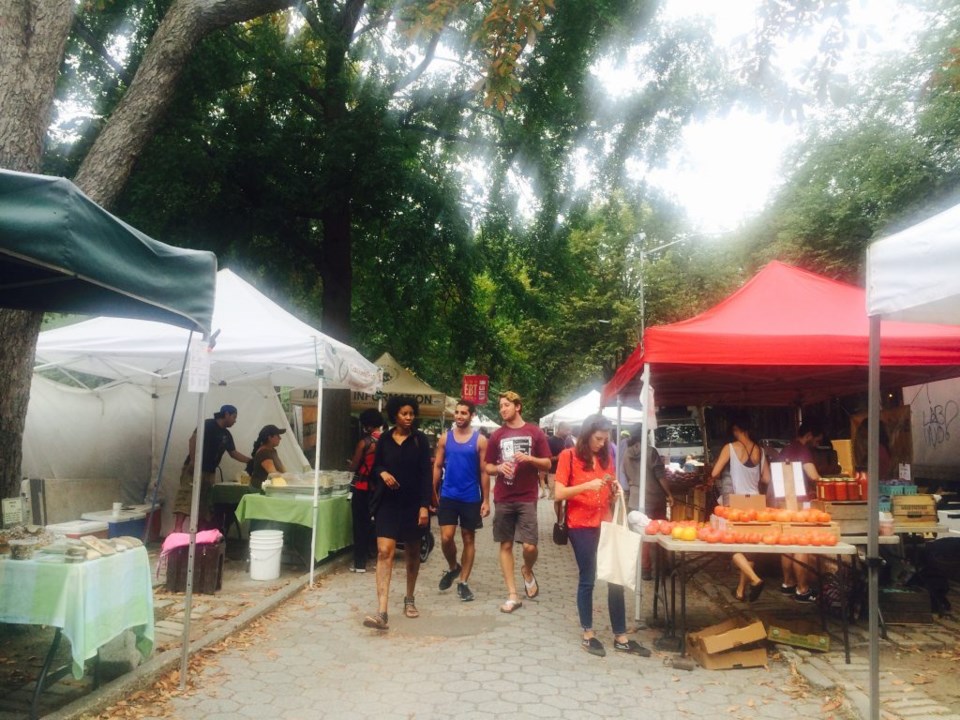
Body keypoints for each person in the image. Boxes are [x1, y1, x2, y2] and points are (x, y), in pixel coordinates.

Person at [555, 414, 651, 658]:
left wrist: (614, 488)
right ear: (587, 435)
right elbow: (558, 493)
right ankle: (588, 633)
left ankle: (621, 636)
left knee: (615, 577)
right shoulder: (569, 456)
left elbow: (608, 484)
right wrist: (587, 486)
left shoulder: (607, 456)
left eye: (606, 439)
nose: (602, 443)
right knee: (588, 577)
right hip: (580, 525)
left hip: (605, 522)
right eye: (598, 439)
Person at [363, 396, 432, 630]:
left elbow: (426, 474)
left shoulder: (420, 440)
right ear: (395, 415)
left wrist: (425, 505)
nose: (408, 417)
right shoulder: (384, 439)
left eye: (411, 413)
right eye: (404, 413)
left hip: (413, 504)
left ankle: (409, 598)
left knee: (412, 552)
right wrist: (382, 473)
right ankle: (382, 612)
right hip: (388, 503)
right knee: (384, 552)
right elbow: (376, 467)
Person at [483, 390, 551, 613]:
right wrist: (498, 468)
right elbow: (488, 466)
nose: (502, 409)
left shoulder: (534, 432)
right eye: (500, 406)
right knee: (506, 544)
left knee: (530, 546)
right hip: (503, 496)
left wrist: (530, 458)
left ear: (518, 406)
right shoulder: (497, 436)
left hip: (526, 496)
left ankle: (527, 570)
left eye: (506, 405)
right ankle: (512, 594)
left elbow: (548, 464)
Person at [432, 399, 489, 602]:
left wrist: (486, 500)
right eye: (457, 412)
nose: (459, 416)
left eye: (464, 413)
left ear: (471, 415)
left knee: (468, 538)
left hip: (470, 497)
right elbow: (437, 466)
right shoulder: (445, 439)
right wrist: (433, 492)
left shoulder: (480, 440)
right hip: (448, 495)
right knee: (446, 538)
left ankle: (463, 582)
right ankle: (453, 567)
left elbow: (484, 471)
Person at [710, 413, 770, 602]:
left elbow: (715, 472)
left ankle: (755, 579)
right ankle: (740, 591)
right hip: (756, 504)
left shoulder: (730, 448)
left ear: (737, 430)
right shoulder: (759, 450)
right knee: (749, 547)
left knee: (731, 546)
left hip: (736, 503)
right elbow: (766, 479)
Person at [173, 404, 251, 532]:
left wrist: (251, 460)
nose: (235, 421)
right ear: (226, 414)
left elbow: (233, 453)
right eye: (234, 417)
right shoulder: (208, 425)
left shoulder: (226, 434)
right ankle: (177, 529)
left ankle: (199, 531)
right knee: (186, 496)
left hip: (210, 471)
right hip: (195, 468)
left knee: (205, 501)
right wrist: (193, 461)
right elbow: (193, 440)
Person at [776, 422, 823, 602]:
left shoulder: (786, 449)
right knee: (800, 543)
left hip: (781, 501)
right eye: (818, 438)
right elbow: (814, 476)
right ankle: (803, 589)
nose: (818, 442)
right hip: (797, 502)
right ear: (809, 435)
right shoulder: (803, 450)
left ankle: (788, 583)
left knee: (787, 543)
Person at [619, 423, 668, 581]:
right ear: (644, 435)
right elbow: (661, 476)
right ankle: (662, 566)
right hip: (654, 499)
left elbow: (625, 475)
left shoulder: (626, 453)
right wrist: (670, 494)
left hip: (635, 498)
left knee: (640, 535)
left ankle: (644, 568)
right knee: (661, 533)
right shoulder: (650, 452)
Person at [347, 409, 384, 573]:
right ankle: (376, 556)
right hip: (379, 488)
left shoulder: (365, 443)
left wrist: (350, 463)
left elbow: (354, 466)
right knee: (375, 524)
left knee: (360, 524)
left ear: (367, 425)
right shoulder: (385, 441)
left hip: (363, 487)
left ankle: (359, 563)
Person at [247, 424, 287, 490]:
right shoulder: (263, 453)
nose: (280, 438)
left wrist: (291, 476)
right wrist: (288, 477)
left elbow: (282, 469)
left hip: (267, 488)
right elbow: (274, 474)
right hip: (258, 490)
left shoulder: (272, 451)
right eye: (278, 435)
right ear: (270, 437)